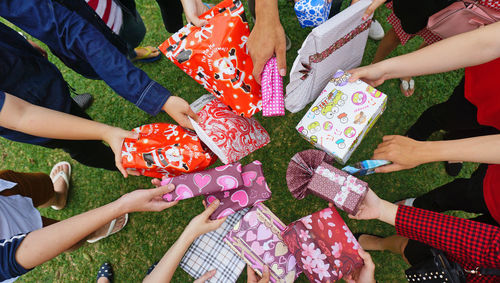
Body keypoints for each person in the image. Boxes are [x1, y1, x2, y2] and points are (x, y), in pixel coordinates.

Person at [0, 0, 198, 130]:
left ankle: (129, 53)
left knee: (133, 34)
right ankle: (129, 55)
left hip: (118, 10)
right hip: (89, 44)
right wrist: (155, 97)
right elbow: (67, 28)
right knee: (114, 55)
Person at [0, 24, 140, 177]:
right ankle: (118, 162)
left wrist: (21, 41)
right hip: (34, 119)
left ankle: (68, 108)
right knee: (83, 147)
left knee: (70, 108)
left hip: (34, 78)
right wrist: (106, 132)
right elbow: (22, 115)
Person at [0, 166, 176, 282]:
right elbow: (11, 255)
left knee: (42, 185)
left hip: (3, 189)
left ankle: (57, 197)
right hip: (13, 239)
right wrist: (122, 205)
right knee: (70, 240)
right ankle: (91, 232)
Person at [347, 188, 500, 282]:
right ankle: (380, 244)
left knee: (414, 254)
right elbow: (484, 244)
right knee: (408, 247)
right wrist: (383, 210)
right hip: (471, 258)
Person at [83, 0, 162, 62]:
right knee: (112, 53)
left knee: (137, 33)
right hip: (93, 32)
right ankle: (132, 55)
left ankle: (131, 53)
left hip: (117, 9)